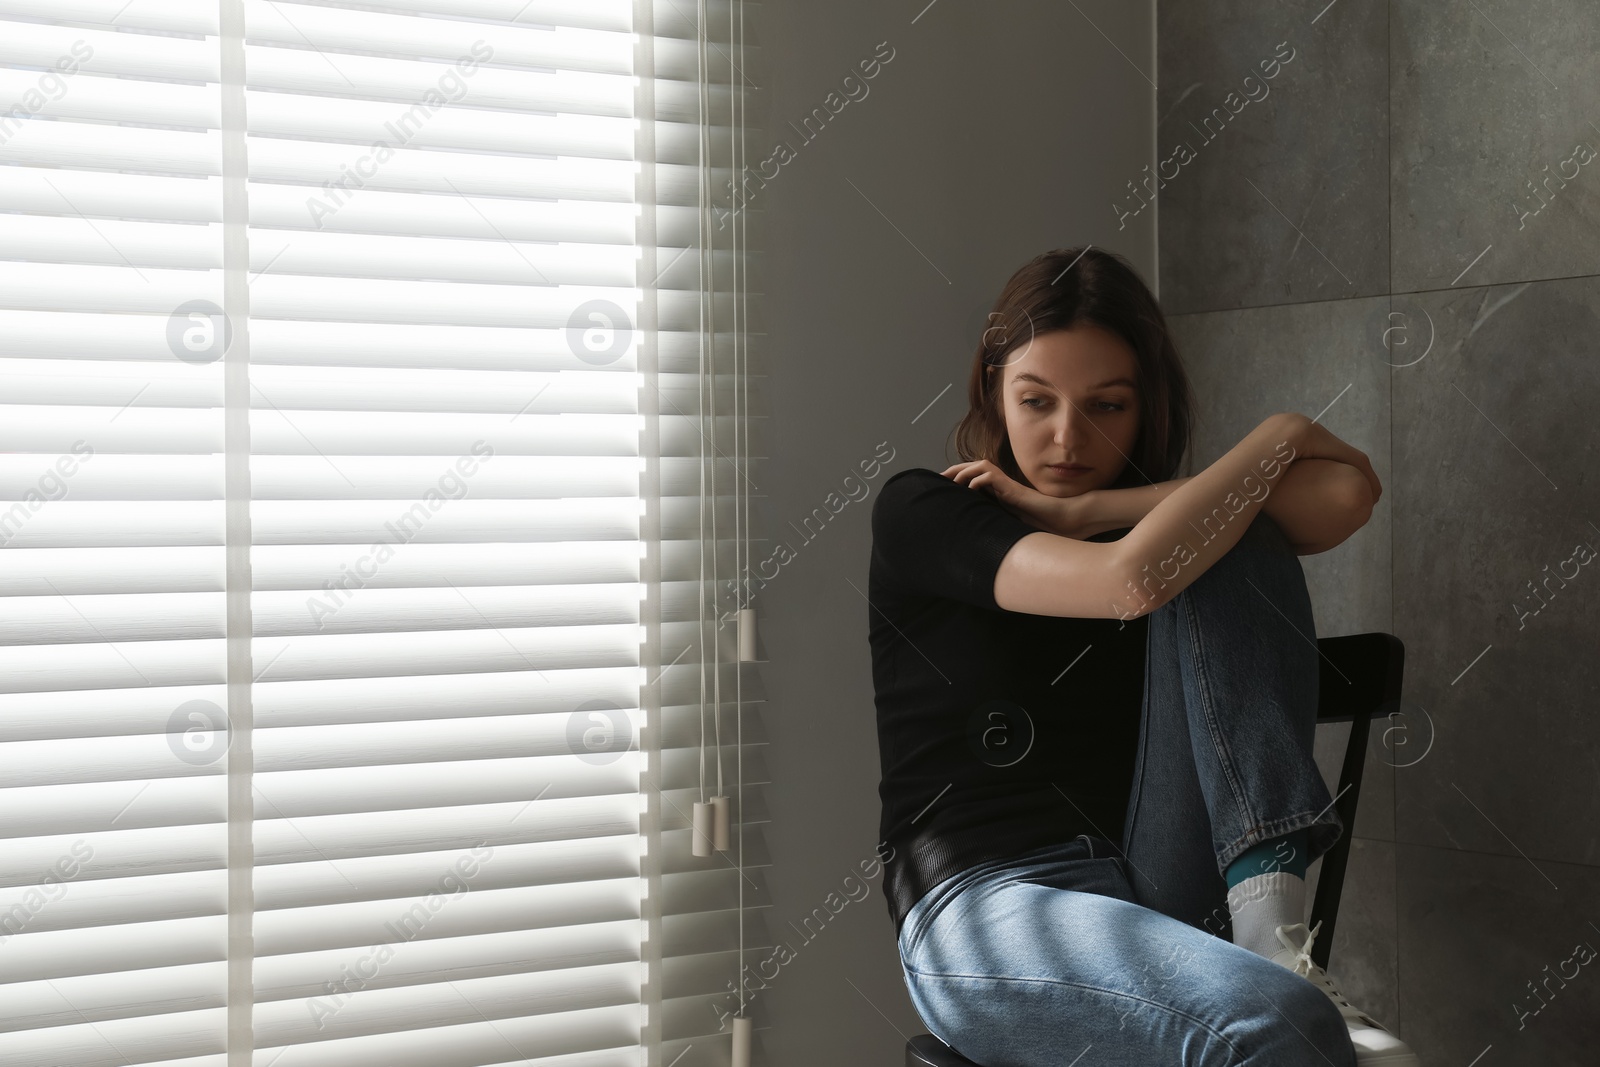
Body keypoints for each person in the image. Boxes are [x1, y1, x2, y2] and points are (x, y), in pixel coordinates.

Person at [868, 247, 1420, 1066]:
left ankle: (1276, 935)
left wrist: (1094, 505)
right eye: (1035, 400)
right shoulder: (927, 510)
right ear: (993, 393)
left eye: (1107, 405)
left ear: (1147, 406)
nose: (1065, 436)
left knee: (1236, 530)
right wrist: (1280, 432)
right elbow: (1127, 583)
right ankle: (1280, 981)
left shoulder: (1140, 525)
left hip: (1154, 877)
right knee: (1283, 1027)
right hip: (990, 903)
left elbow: (1346, 494)